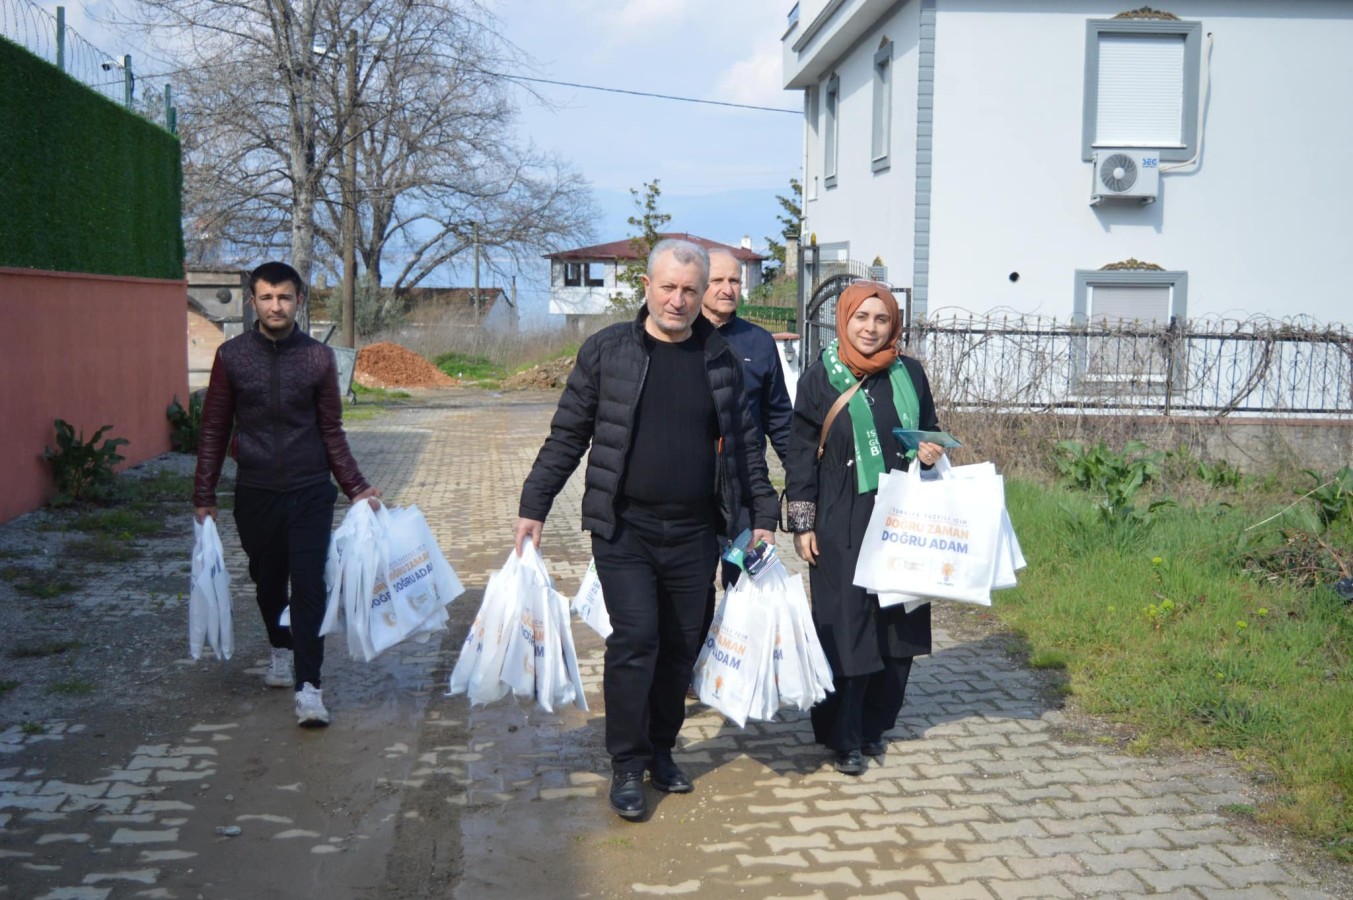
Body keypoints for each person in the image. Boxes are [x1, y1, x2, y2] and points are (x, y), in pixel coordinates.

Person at [515, 238, 780, 821]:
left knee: (680, 648)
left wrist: (765, 513)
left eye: (691, 289)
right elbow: (567, 435)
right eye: (669, 287)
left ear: (703, 291)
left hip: (694, 532)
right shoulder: (608, 352)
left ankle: (662, 751)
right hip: (624, 528)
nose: (679, 300)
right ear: (648, 288)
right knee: (637, 640)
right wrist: (534, 504)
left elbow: (745, 449)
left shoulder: (722, 362)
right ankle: (628, 766)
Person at [193, 261, 381, 728]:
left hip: (310, 489)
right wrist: (204, 494)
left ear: (299, 301)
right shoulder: (232, 357)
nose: (276, 305)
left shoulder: (318, 358)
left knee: (310, 583)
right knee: (268, 579)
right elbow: (215, 427)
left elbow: (331, 430)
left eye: (284, 297)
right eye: (267, 297)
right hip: (255, 491)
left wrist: (355, 487)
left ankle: (309, 686)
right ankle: (280, 648)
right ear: (253, 301)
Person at [785, 281, 945, 775]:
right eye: (861, 318)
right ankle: (844, 736)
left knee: (898, 625)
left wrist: (931, 449)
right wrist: (802, 523)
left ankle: (876, 726)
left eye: (881, 319)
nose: (871, 328)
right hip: (841, 517)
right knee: (847, 625)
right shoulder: (820, 378)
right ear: (845, 320)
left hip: (902, 517)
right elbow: (798, 454)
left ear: (893, 324)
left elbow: (931, 430)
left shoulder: (910, 374)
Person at [700, 247, 793, 586]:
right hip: (693, 490)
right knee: (692, 596)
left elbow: (780, 418)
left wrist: (802, 475)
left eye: (735, 280)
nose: (727, 289)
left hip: (745, 488)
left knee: (743, 591)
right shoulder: (683, 337)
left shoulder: (759, 342)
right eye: (717, 281)